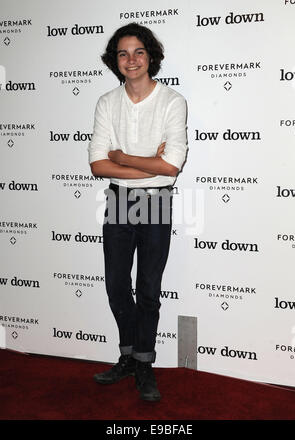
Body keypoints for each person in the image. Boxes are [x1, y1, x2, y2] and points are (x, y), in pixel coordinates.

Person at [88, 23, 187, 402]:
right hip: (118, 200)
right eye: (123, 53)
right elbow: (98, 165)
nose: (131, 60)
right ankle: (127, 356)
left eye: (138, 52)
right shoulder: (106, 103)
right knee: (116, 285)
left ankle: (144, 363)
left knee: (148, 289)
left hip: (156, 200)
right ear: (116, 61)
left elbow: (172, 167)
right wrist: (149, 163)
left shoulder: (172, 101)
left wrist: (121, 157)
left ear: (151, 57)